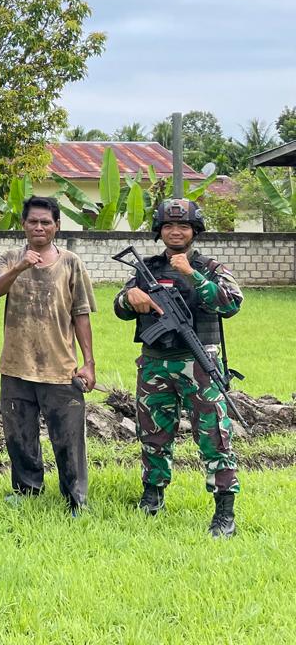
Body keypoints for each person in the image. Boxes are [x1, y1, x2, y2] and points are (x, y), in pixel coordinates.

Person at [113, 198, 243, 537]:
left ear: (194, 231)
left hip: (199, 363)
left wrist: (192, 274)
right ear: (160, 231)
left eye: (183, 226)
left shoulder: (211, 268)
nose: (175, 231)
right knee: (154, 433)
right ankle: (152, 497)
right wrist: (131, 299)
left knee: (215, 436)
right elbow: (120, 306)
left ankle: (224, 512)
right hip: (155, 363)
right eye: (169, 226)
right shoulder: (147, 268)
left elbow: (230, 304)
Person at [0, 196, 97, 516]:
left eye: (45, 222)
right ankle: (27, 490)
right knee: (19, 436)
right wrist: (20, 266)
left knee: (68, 439)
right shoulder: (10, 258)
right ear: (23, 225)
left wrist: (88, 363)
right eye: (32, 221)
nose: (39, 227)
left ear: (57, 227)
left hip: (60, 366)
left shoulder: (71, 262)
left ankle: (75, 498)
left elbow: (82, 314)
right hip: (16, 364)